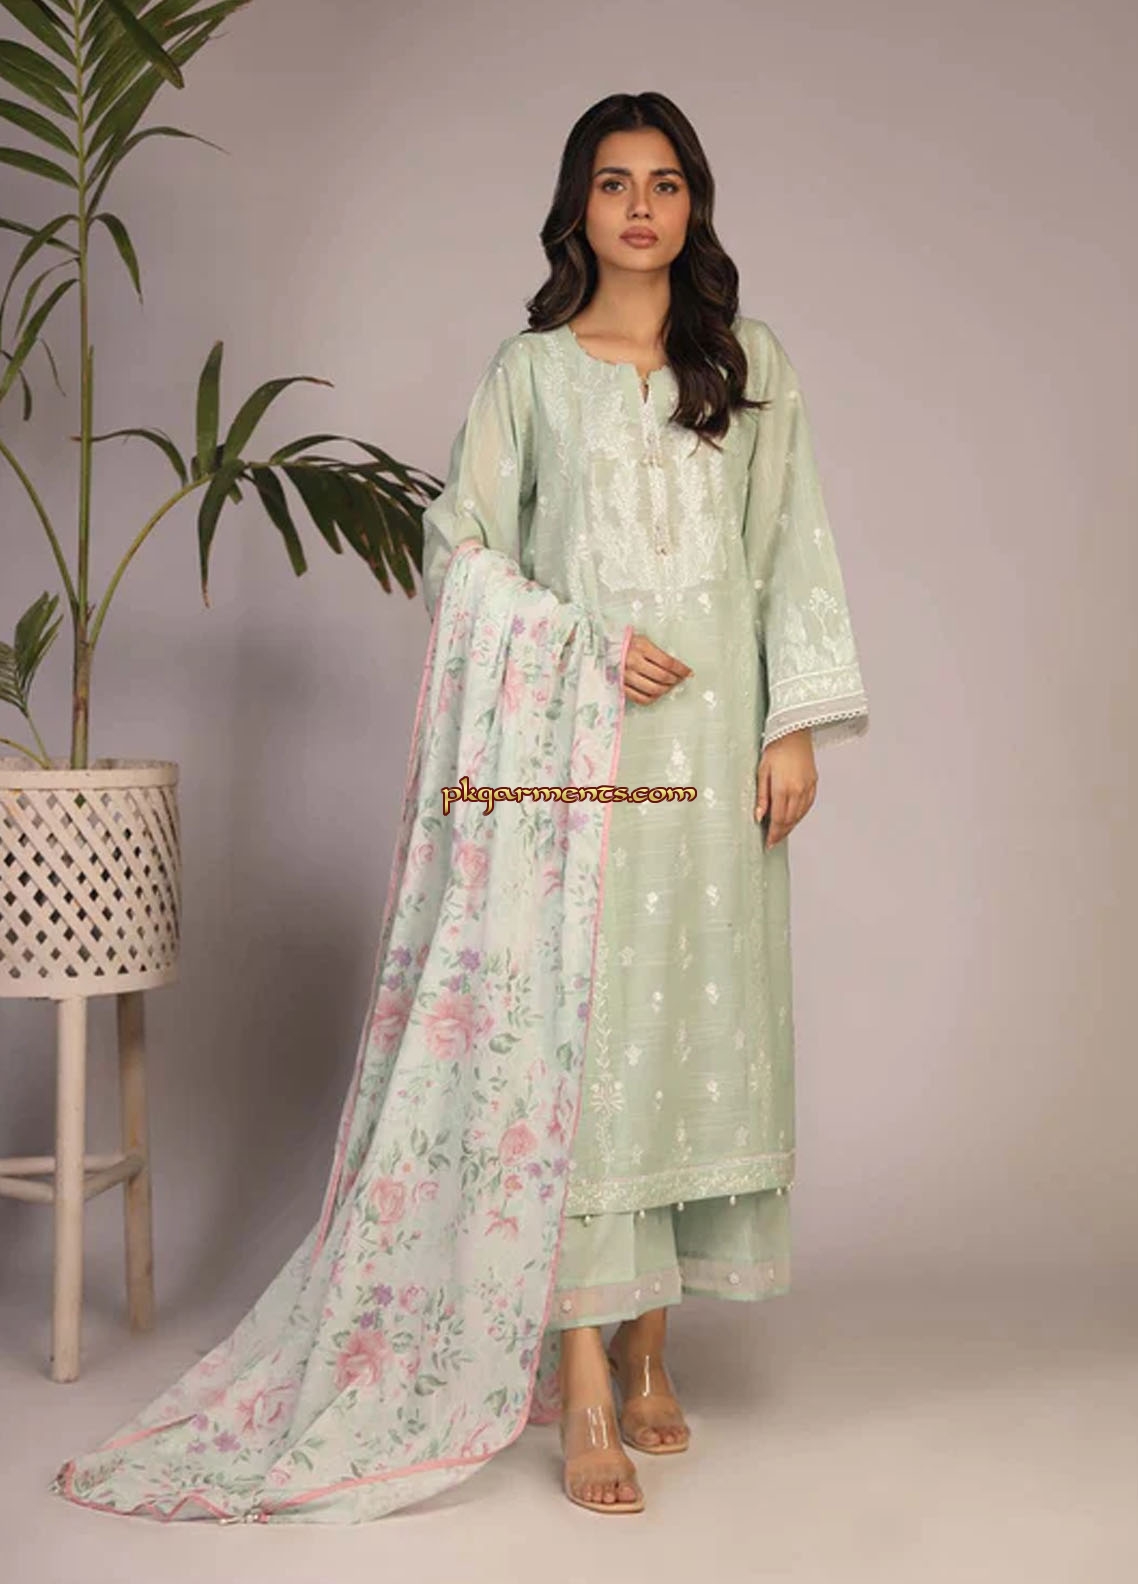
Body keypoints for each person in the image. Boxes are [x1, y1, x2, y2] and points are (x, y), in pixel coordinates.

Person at [419, 90, 870, 1514]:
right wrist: (582, 646)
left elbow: (790, 549)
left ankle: (651, 1344)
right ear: (578, 206)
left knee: (682, 1029)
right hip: (577, 759)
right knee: (585, 1043)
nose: (639, 207)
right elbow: (458, 550)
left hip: (715, 757)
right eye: (613, 182)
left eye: (664, 182)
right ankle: (582, 1380)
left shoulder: (748, 363)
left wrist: (794, 728)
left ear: (693, 205)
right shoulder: (531, 374)